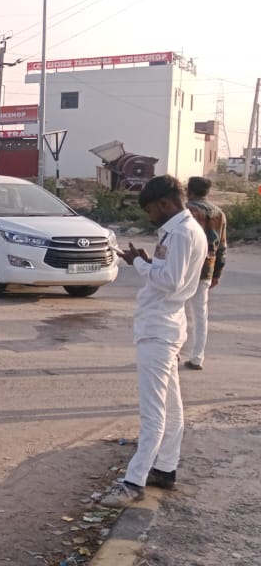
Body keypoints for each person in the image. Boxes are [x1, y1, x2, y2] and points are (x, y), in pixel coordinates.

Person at [101, 176, 208, 508]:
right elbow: (170, 273)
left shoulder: (181, 233)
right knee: (171, 407)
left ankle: (133, 482)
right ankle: (165, 468)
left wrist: (139, 265)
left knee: (153, 412)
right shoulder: (182, 230)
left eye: (151, 210)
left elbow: (170, 282)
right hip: (165, 325)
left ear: (165, 203)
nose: (150, 217)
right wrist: (147, 262)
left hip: (159, 328)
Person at [182, 176, 227, 371]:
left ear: (189, 191)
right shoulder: (219, 213)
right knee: (200, 315)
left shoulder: (186, 211)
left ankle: (173, 352)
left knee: (177, 310)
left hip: (186, 267)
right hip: (207, 268)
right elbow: (222, 247)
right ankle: (197, 358)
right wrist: (217, 273)